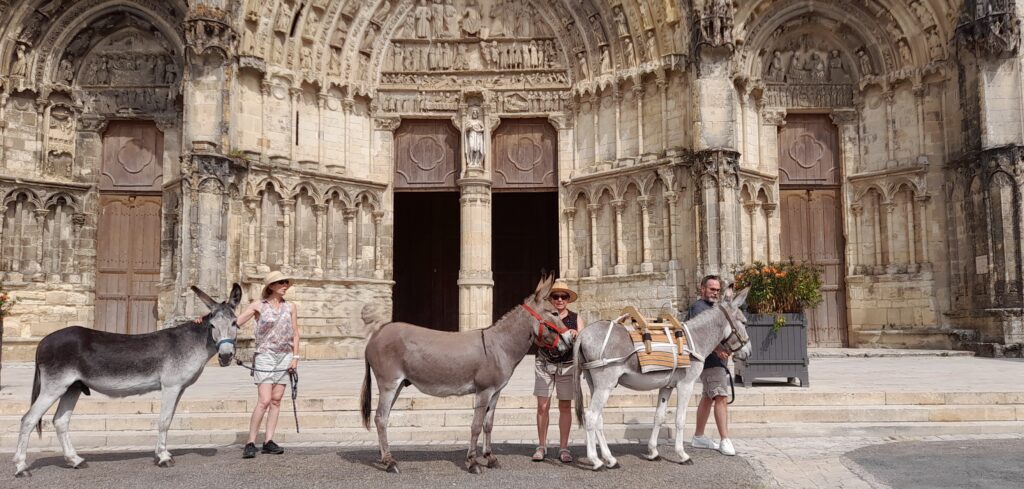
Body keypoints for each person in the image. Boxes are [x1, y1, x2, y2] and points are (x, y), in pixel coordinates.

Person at [235, 271, 301, 459]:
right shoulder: (258, 306)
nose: (285, 285)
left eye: (286, 282)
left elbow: (296, 333)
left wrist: (295, 358)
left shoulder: (291, 307)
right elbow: (235, 323)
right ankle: (250, 441)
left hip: (285, 356)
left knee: (276, 400)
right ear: (270, 286)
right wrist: (205, 321)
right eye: (280, 282)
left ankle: (268, 441)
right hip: (265, 355)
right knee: (264, 400)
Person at [686, 274, 737, 456]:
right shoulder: (700, 308)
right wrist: (717, 349)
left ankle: (699, 437)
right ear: (702, 289)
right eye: (711, 289)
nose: (715, 293)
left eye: (717, 290)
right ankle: (725, 440)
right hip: (710, 361)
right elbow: (700, 333)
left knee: (708, 397)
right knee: (721, 397)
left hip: (716, 361)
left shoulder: (713, 308)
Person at [532, 281, 580, 463]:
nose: (559, 300)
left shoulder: (575, 318)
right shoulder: (544, 316)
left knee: (565, 407)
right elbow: (535, 339)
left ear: (568, 299)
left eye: (564, 296)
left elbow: (583, 342)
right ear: (550, 299)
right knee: (542, 406)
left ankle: (564, 448)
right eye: (556, 296)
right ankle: (541, 446)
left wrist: (576, 334)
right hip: (544, 364)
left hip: (567, 366)